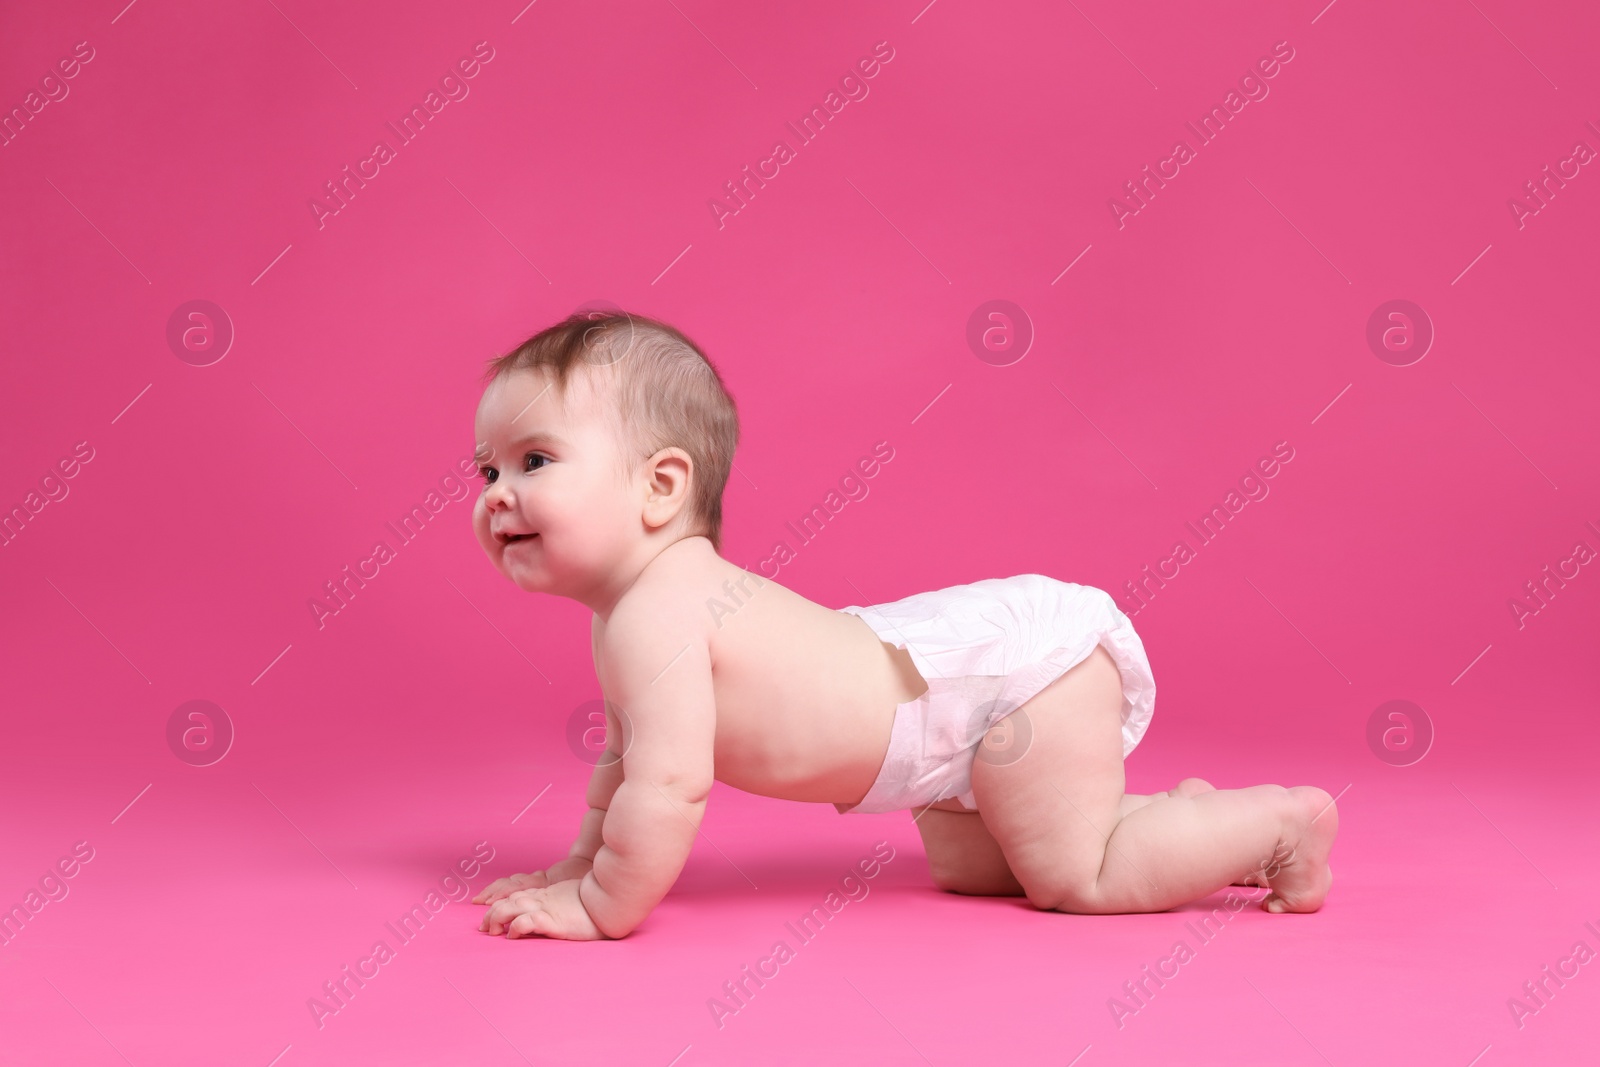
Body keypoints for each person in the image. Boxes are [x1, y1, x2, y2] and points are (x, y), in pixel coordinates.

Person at [468, 309, 1337, 940]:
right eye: (486, 470)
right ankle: (1167, 823)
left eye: (535, 460)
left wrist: (600, 901)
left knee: (1082, 877)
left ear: (660, 487)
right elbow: (622, 767)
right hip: (936, 724)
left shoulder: (659, 612)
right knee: (974, 873)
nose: (498, 493)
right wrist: (575, 861)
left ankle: (1279, 824)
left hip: (1005, 685)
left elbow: (667, 787)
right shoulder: (634, 610)